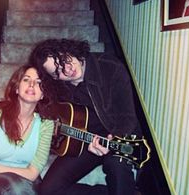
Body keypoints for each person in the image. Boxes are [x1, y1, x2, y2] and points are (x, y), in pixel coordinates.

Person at [29, 39, 143, 195]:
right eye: (58, 71)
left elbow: (127, 117)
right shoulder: (60, 88)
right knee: (49, 190)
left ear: (68, 49)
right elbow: (47, 114)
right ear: (54, 78)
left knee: (116, 166)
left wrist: (113, 140)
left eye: (63, 60)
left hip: (120, 137)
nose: (67, 70)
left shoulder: (110, 67)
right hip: (84, 141)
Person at [0, 64, 55, 195]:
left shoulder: (46, 124)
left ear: (43, 94)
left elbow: (33, 173)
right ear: (16, 88)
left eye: (39, 82)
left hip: (25, 178)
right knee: (16, 189)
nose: (32, 84)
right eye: (26, 79)